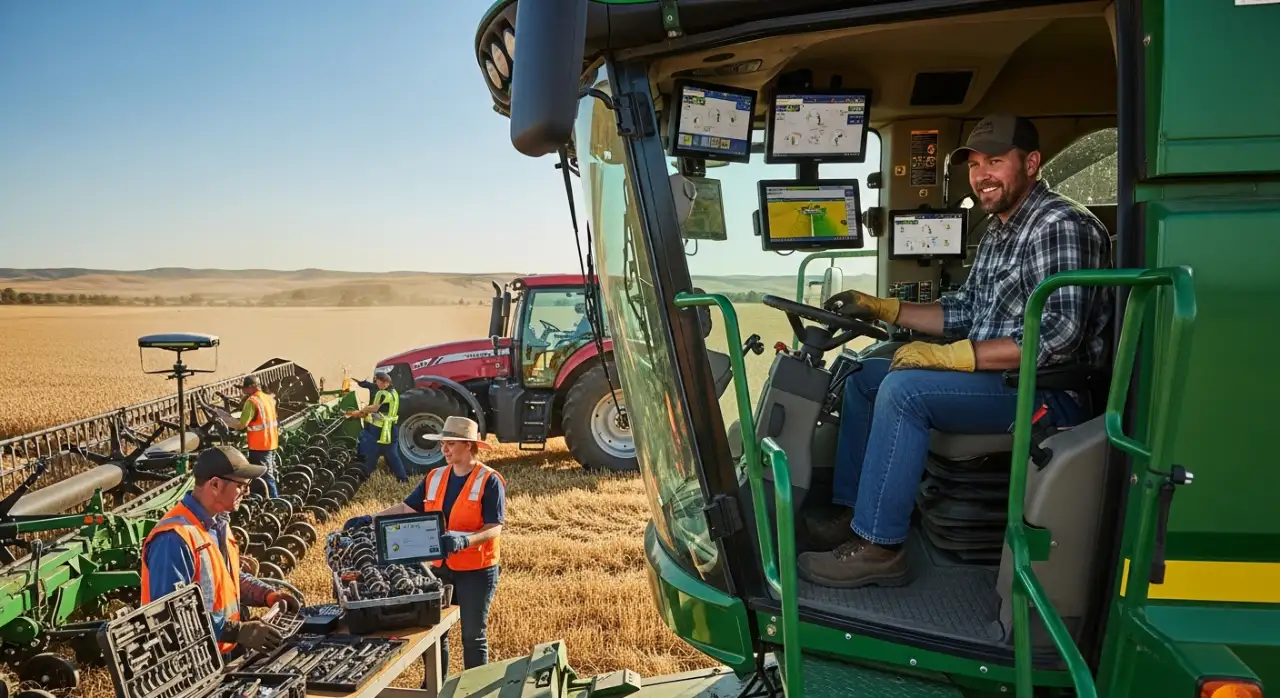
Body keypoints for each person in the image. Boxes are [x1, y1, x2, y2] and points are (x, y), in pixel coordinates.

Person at [798, 114, 1113, 589]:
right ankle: (855, 515)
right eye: (974, 164)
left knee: (904, 391)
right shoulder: (998, 231)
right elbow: (963, 311)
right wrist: (883, 308)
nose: (982, 175)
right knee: (865, 375)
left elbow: (1060, 334)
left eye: (996, 162)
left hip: (1046, 390)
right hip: (997, 379)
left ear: (1030, 163)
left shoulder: (1058, 224)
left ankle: (881, 549)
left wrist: (954, 358)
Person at [344, 416, 504, 672]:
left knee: (473, 638)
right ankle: (435, 685)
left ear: (468, 445)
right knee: (436, 632)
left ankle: (476, 689)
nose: (445, 449)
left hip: (477, 571)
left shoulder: (489, 480)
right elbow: (407, 507)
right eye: (443, 443)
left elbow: (494, 527)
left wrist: (465, 540)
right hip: (440, 568)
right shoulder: (436, 476)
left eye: (450, 443)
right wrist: (370, 518)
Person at [141, 445, 301, 655]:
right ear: (215, 484)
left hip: (217, 652)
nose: (247, 492)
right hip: (189, 664)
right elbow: (169, 616)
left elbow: (226, 579)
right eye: (241, 486)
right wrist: (237, 631)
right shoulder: (174, 539)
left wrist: (267, 595)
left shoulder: (218, 525)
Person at [345, 369, 408, 482]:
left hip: (380, 430)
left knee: (371, 452)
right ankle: (402, 478)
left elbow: (374, 408)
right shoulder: (394, 392)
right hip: (391, 428)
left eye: (378, 382)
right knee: (392, 455)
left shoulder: (382, 393)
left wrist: (361, 410)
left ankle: (365, 476)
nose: (377, 384)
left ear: (382, 382)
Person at [227, 375, 280, 498]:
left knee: (265, 474)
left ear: (251, 387)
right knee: (264, 473)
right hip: (271, 442)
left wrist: (228, 422)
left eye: (244, 389)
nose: (243, 391)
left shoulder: (252, 402)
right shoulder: (269, 399)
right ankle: (258, 497)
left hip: (259, 445)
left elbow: (242, 424)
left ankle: (274, 501)